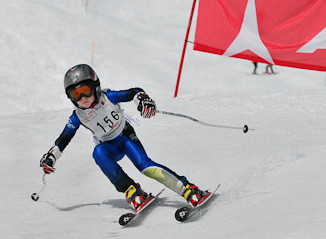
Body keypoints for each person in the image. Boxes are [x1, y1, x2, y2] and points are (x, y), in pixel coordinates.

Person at [39, 64, 208, 211]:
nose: (83, 98)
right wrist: (52, 157)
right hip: (109, 147)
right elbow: (64, 138)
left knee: (145, 166)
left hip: (125, 137)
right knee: (98, 152)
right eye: (76, 94)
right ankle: (132, 191)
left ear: (95, 86)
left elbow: (133, 92)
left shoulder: (108, 97)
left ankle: (187, 189)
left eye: (85, 91)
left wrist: (142, 99)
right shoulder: (77, 116)